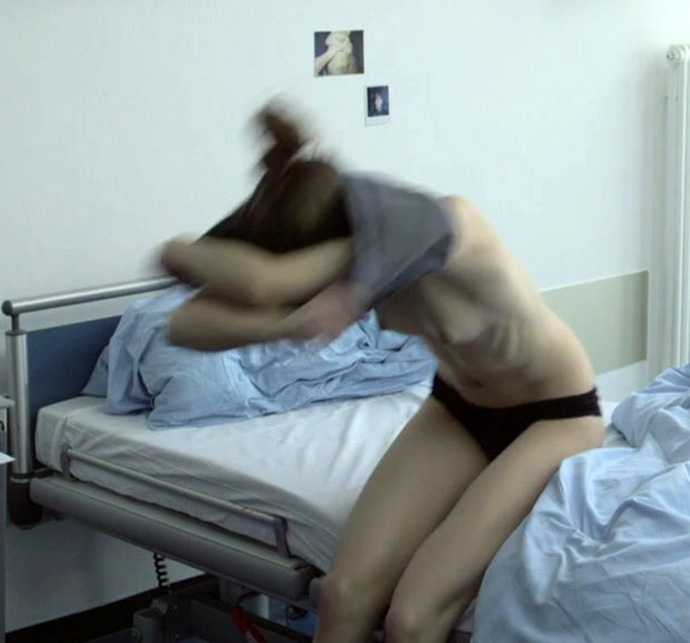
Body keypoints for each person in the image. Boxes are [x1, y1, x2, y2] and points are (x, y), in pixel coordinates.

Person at [160, 107, 604, 643]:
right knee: (342, 595)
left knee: (412, 618)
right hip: (457, 407)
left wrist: (203, 262)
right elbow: (185, 323)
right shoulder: (307, 219)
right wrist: (282, 323)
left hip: (555, 415)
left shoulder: (444, 223)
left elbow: (266, 282)